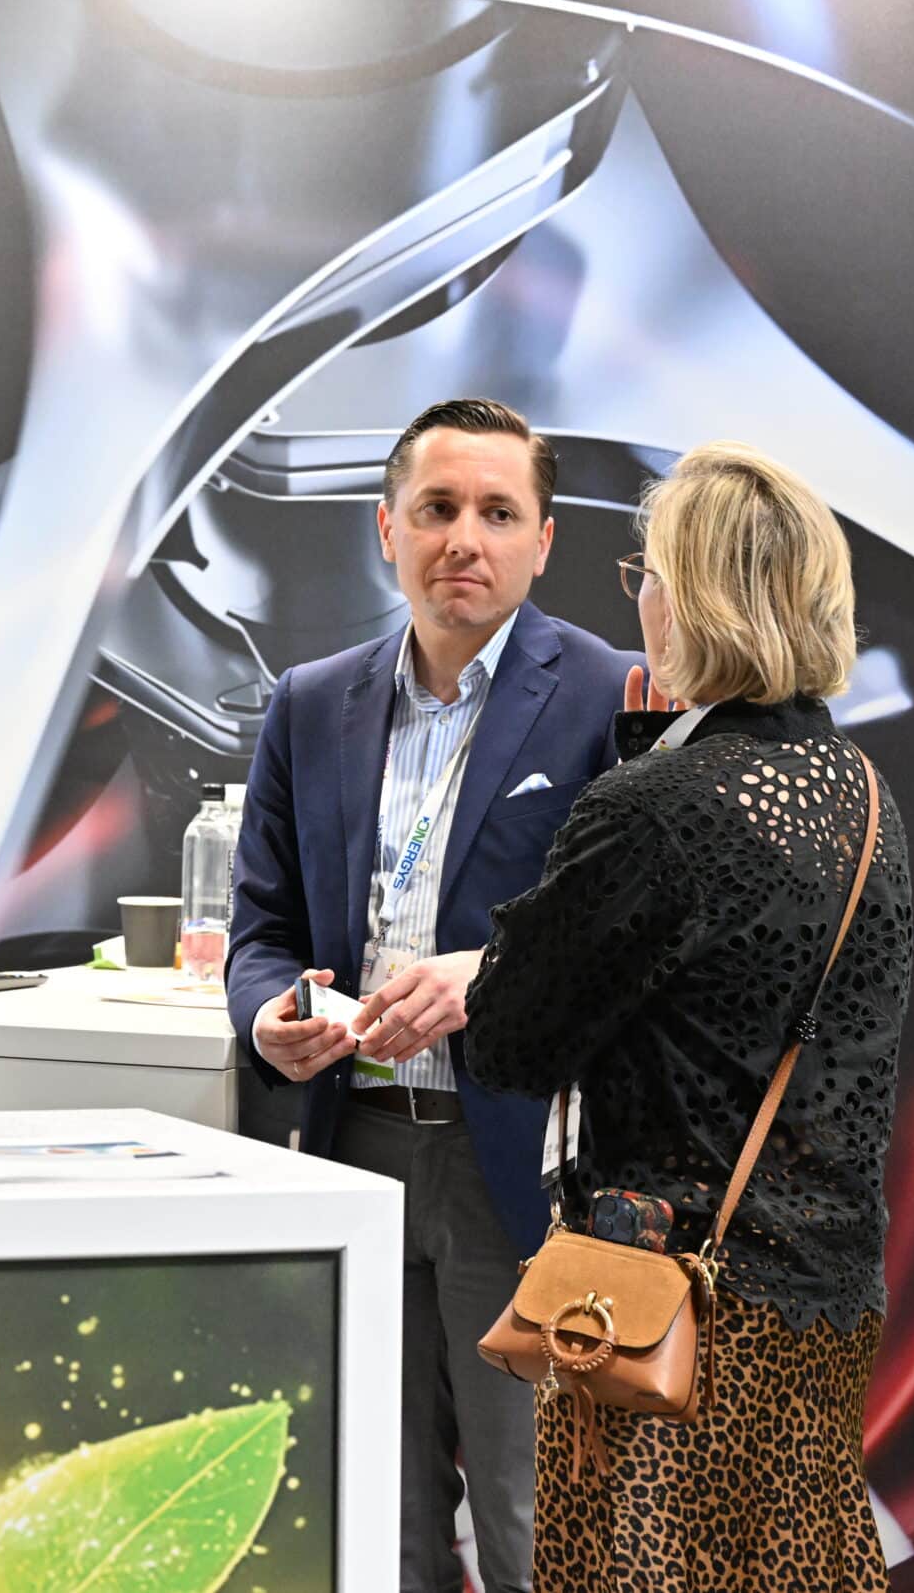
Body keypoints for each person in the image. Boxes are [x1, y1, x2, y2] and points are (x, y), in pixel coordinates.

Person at [464, 443, 909, 1591]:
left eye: (649, 574)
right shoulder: (860, 794)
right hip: (823, 1295)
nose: (641, 599)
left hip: (665, 1301)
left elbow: (510, 1041)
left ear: (695, 599)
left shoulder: (659, 807)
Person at [226, 398, 635, 1593]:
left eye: (498, 513)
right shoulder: (310, 701)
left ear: (542, 541)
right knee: (376, 1518)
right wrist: (269, 1014)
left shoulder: (610, 697)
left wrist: (493, 977)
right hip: (345, 1145)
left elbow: (636, 946)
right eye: (437, 509)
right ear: (385, 529)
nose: (464, 538)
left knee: (526, 1519)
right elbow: (261, 931)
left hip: (514, 1162)